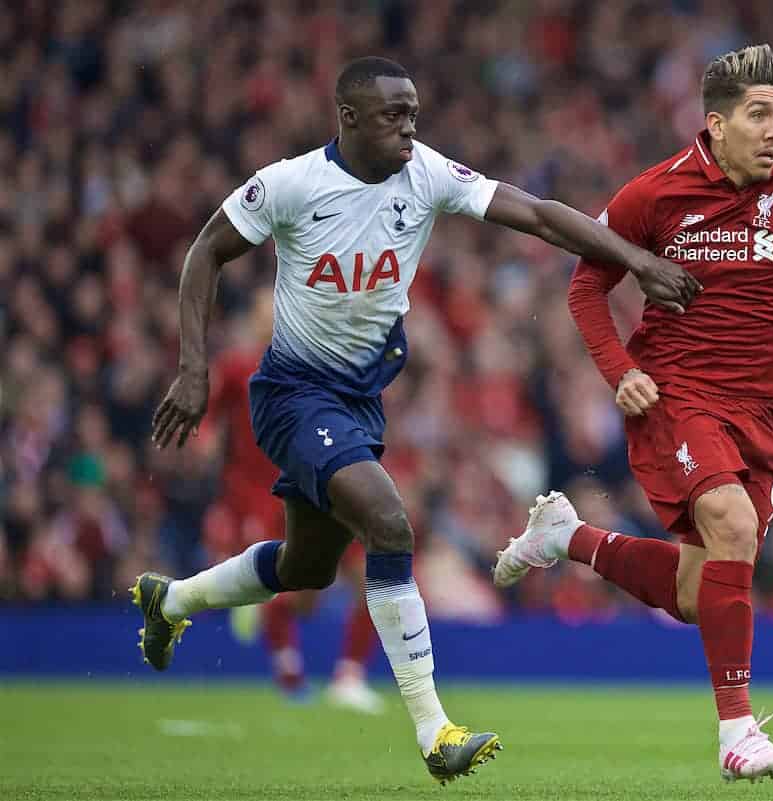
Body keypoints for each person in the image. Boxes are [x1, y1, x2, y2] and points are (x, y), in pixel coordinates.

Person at [131, 56, 701, 785]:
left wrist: (634, 261)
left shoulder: (426, 173)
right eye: (395, 114)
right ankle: (436, 731)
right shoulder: (291, 183)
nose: (410, 126)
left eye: (414, 112)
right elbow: (206, 249)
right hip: (293, 392)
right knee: (390, 523)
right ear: (349, 118)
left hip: (359, 401)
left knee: (307, 564)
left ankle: (171, 598)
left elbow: (535, 213)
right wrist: (192, 364)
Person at [493, 44, 773, 783]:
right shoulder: (655, 194)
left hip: (767, 411)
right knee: (734, 525)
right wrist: (622, 372)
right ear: (716, 123)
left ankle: (568, 536)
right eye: (759, 116)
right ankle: (736, 732)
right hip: (678, 393)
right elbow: (586, 288)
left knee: (693, 593)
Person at [207, 289, 382, 714]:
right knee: (300, 592)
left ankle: (348, 676)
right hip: (261, 496)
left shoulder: (312, 364)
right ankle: (288, 670)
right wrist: (206, 440)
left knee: (374, 575)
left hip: (324, 489)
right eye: (266, 312)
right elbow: (207, 411)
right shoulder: (236, 367)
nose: (274, 319)